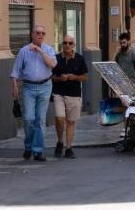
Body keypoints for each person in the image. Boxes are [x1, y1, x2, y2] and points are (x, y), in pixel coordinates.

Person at [10, 25, 56, 162]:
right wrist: (14, 86)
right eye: (37, 33)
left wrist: (39, 50)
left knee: (40, 120)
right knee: (29, 118)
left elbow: (52, 65)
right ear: (32, 34)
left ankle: (37, 150)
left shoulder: (48, 50)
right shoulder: (24, 51)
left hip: (45, 86)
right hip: (28, 87)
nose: (40, 35)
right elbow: (16, 71)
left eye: (43, 33)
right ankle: (28, 146)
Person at [51, 35, 88, 159]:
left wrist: (74, 77)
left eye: (70, 43)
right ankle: (60, 141)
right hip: (59, 93)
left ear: (74, 45)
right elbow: (51, 77)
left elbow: (85, 77)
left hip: (74, 94)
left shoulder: (79, 59)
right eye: (65, 43)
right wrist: (58, 78)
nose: (67, 45)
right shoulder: (56, 59)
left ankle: (68, 148)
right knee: (59, 118)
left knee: (71, 122)